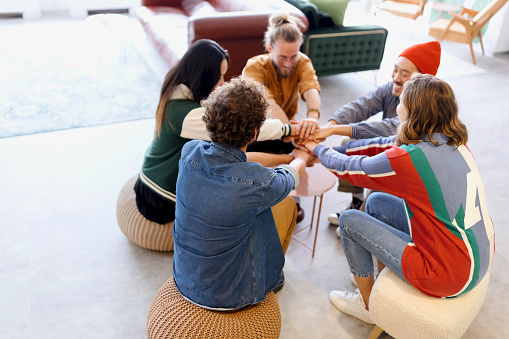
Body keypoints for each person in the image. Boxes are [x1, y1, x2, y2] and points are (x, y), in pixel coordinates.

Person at [302, 73, 494, 324]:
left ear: (413, 110)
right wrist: (329, 150)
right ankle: (382, 281)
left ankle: (369, 305)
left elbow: (352, 169)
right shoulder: (451, 141)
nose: (397, 106)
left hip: (447, 276)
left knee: (349, 220)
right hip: (475, 255)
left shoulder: (410, 159)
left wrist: (317, 150)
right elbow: (382, 144)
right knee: (376, 203)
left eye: (401, 102)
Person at [172, 77, 315, 310]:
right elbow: (289, 177)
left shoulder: (190, 152)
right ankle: (272, 281)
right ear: (255, 133)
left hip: (185, 278)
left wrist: (288, 158)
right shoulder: (259, 185)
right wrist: (301, 157)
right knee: (283, 206)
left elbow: (239, 163)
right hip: (230, 297)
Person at [135, 39, 300, 227]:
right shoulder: (185, 114)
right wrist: (289, 130)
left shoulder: (181, 89)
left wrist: (288, 132)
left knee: (259, 141)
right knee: (243, 143)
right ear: (203, 76)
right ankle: (290, 166)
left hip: (160, 180)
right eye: (219, 76)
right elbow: (242, 127)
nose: (222, 82)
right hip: (159, 198)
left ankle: (290, 161)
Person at [321, 41, 442, 226]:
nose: (396, 77)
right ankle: (357, 203)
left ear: (421, 82)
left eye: (405, 74)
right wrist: (331, 124)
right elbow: (362, 105)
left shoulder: (424, 109)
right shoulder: (391, 88)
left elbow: (388, 129)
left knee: (378, 164)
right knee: (350, 140)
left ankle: (363, 219)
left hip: (406, 167)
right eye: (395, 70)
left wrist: (332, 131)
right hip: (390, 149)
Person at [242, 13, 322, 220]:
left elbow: (311, 88)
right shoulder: (254, 66)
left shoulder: (302, 61)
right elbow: (268, 102)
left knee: (305, 145)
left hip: (287, 128)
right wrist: (289, 132)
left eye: (293, 57)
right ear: (270, 49)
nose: (288, 64)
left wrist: (312, 118)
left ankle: (291, 194)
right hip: (257, 132)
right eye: (283, 58)